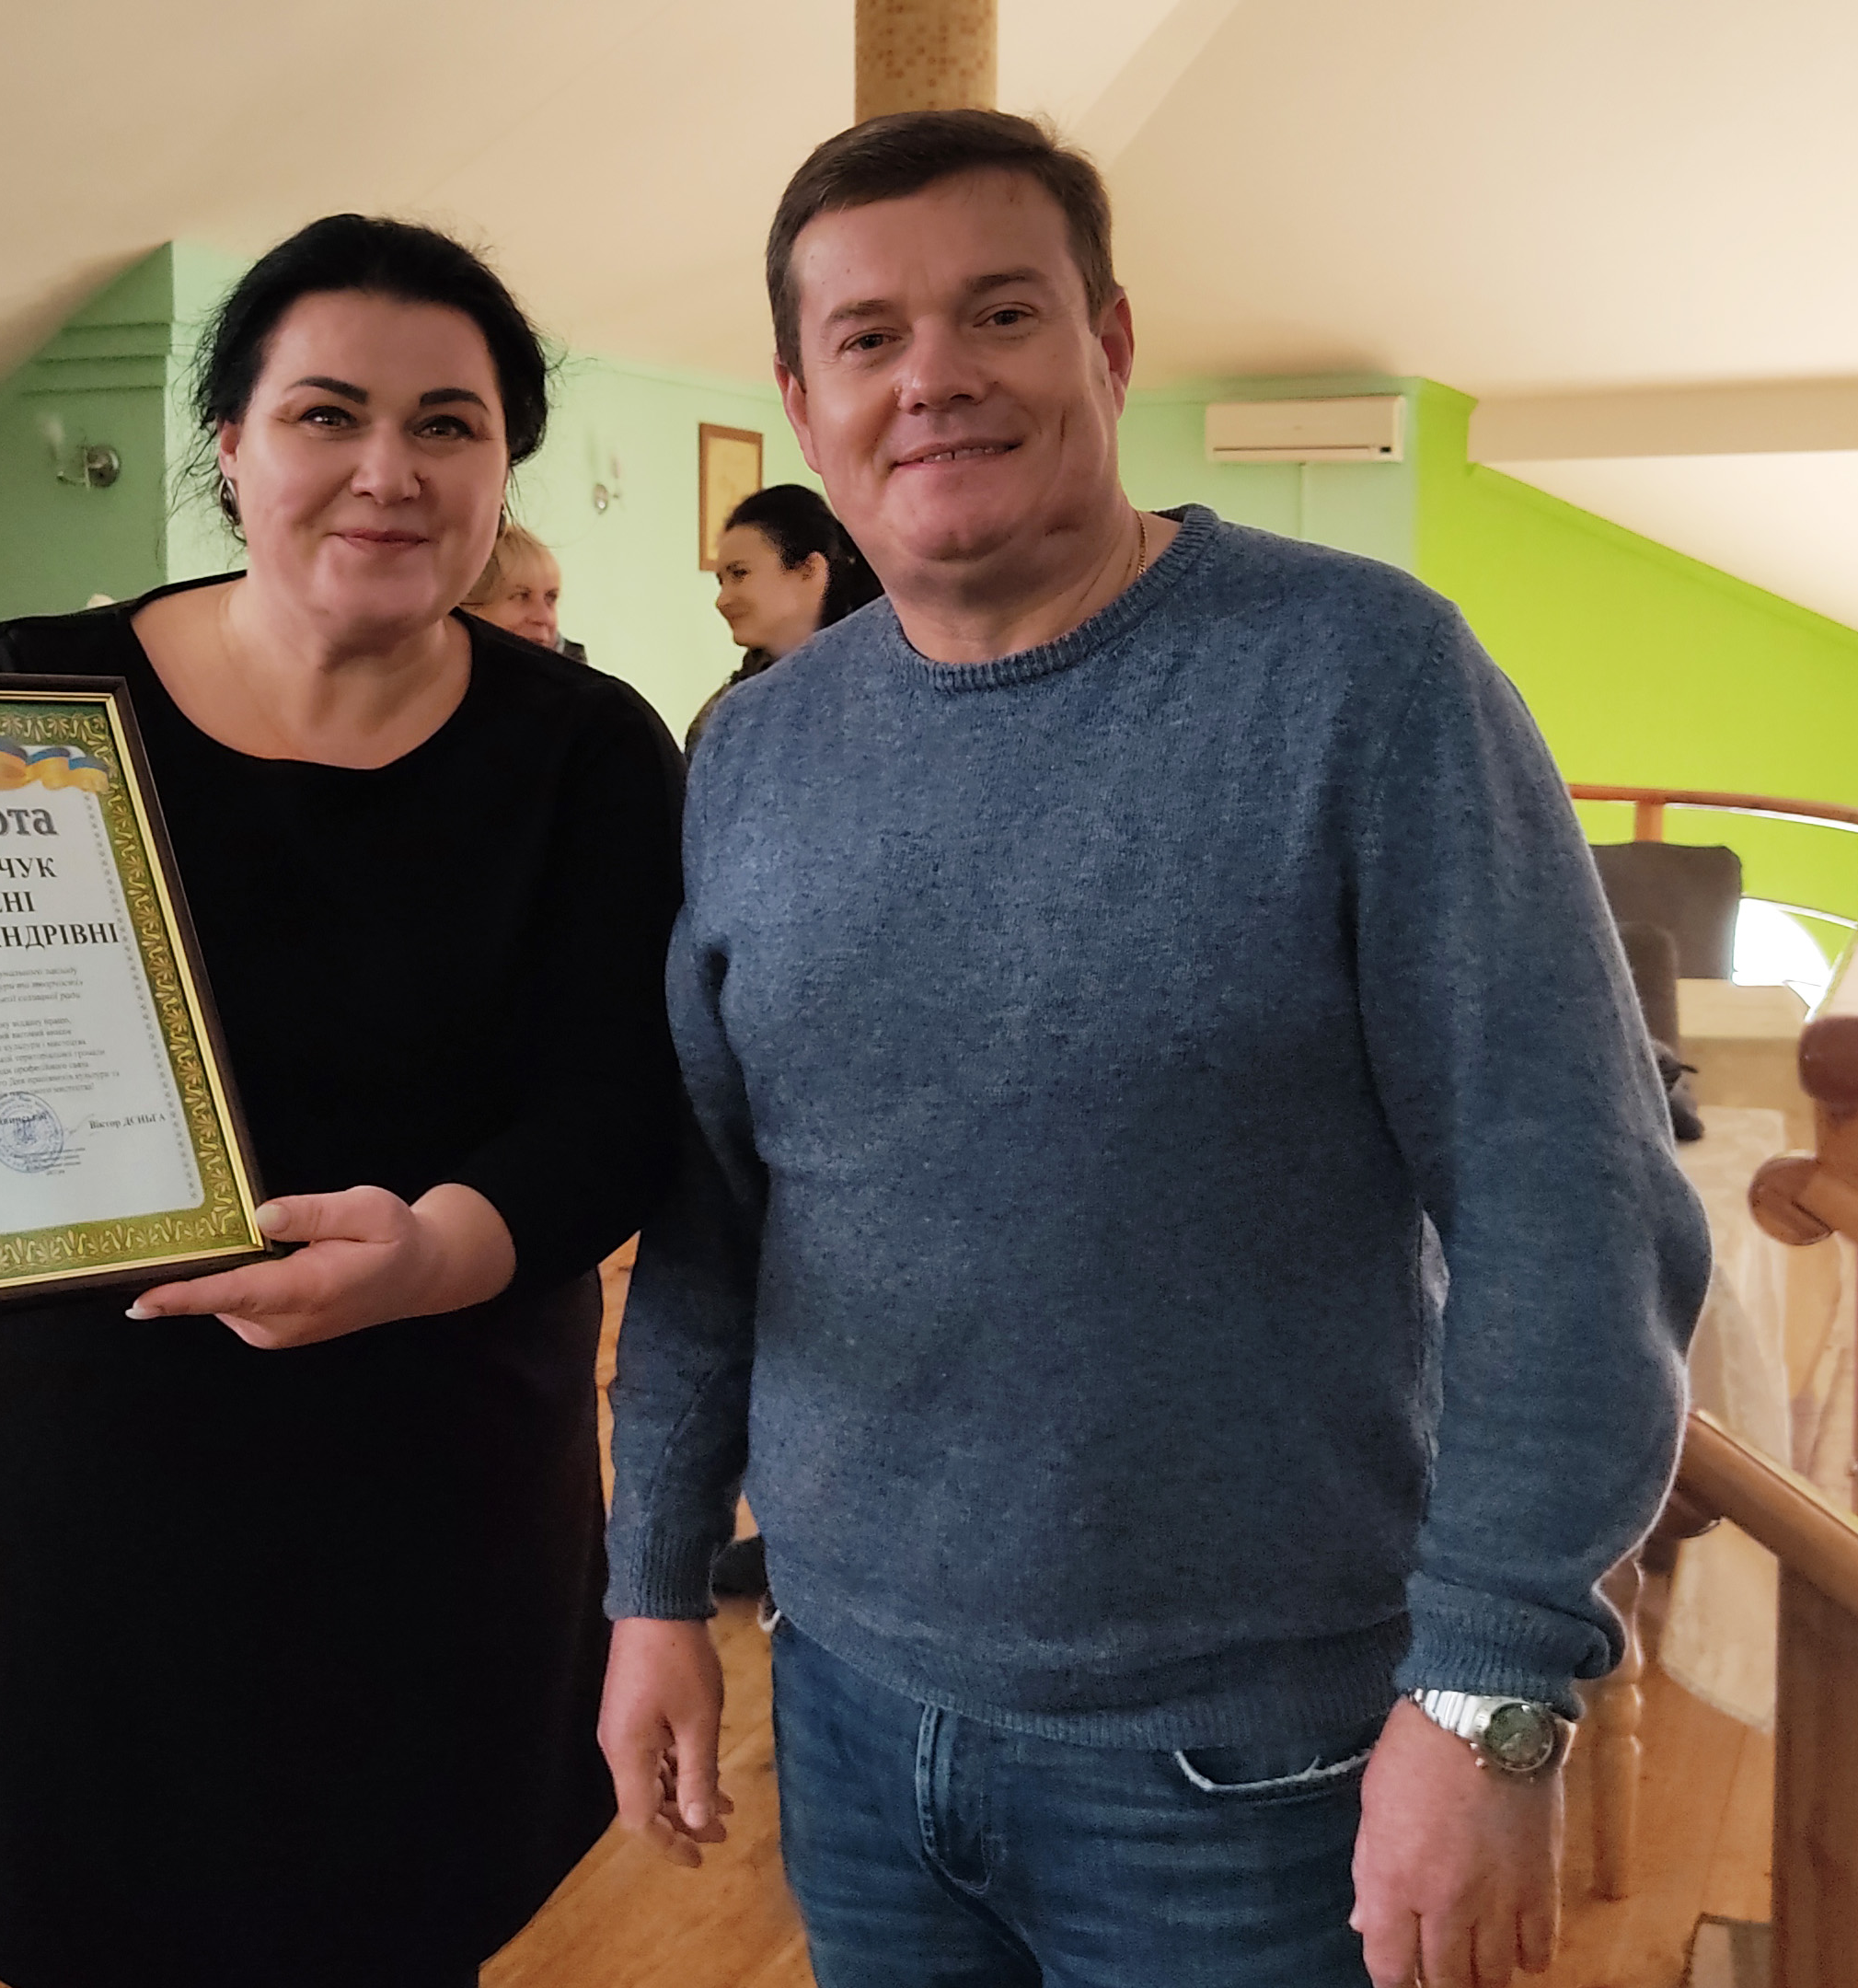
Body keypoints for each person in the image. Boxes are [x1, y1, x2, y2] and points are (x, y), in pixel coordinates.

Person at [596, 110, 1706, 1988]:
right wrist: (650, 1582)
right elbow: (712, 1220)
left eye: (997, 312)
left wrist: (1485, 1690)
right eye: (866, 337)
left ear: (1106, 343)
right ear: (800, 401)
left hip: (1252, 1764)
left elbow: (1565, 1212)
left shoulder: (1362, 681)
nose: (932, 377)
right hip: (850, 1714)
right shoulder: (755, 753)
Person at [0, 214, 685, 1988]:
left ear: (501, 463)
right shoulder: (24, 699)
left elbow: (616, 1110)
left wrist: (433, 1250)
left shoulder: (587, 752)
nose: (385, 470)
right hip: (95, 1485)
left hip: (432, 1478)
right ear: (228, 444)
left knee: (393, 1933)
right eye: (325, 414)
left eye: (445, 424)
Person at [690, 481, 883, 745]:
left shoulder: (878, 690)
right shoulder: (729, 710)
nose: (721, 601)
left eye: (740, 574)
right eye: (721, 581)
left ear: (810, 571)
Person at [465, 516, 578, 656]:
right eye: (522, 596)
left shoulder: (571, 666)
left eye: (551, 598)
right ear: (470, 605)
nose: (543, 618)